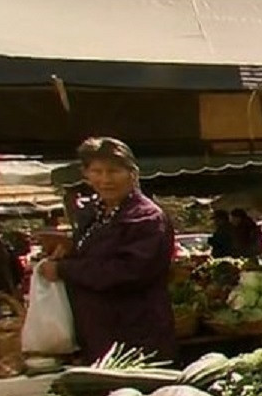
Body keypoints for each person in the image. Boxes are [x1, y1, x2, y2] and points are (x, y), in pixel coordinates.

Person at [33, 137, 176, 363]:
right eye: (97, 171)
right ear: (86, 174)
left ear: (132, 173)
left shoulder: (145, 218)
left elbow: (127, 271)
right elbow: (97, 254)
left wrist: (65, 269)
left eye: (114, 171)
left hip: (135, 335)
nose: (105, 179)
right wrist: (69, 251)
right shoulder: (94, 214)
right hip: (98, 333)